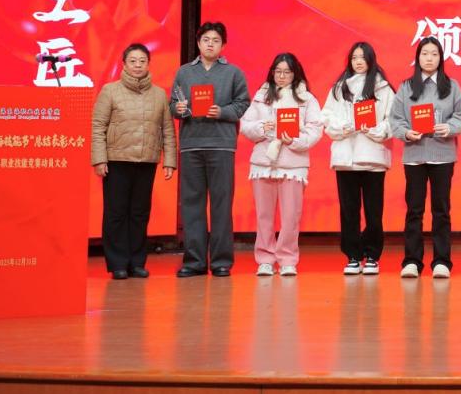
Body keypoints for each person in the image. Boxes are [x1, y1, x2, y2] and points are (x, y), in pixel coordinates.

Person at [171, 21, 251, 278]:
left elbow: (243, 103)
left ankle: (221, 261)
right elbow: (173, 103)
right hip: (191, 145)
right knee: (191, 204)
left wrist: (223, 112)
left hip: (222, 145)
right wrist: (178, 109)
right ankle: (194, 261)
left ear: (223, 45)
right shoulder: (184, 72)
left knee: (221, 204)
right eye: (206, 40)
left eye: (216, 40)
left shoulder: (234, 73)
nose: (210, 44)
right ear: (198, 43)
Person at [91, 43, 176, 280]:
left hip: (146, 160)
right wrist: (99, 159)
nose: (138, 65)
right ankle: (118, 263)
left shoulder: (159, 94)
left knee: (140, 213)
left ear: (148, 64)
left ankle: (137, 262)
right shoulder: (110, 91)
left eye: (142, 61)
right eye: (133, 61)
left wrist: (169, 160)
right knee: (116, 213)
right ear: (124, 64)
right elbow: (98, 126)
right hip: (116, 160)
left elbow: (168, 129)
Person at [389, 36, 461, 279]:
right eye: (425, 53)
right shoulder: (406, 87)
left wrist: (450, 127)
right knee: (414, 210)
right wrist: (406, 133)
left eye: (434, 54)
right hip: (414, 156)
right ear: (418, 57)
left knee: (441, 210)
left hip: (442, 156)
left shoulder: (451, 86)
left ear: (440, 58)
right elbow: (395, 119)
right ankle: (412, 261)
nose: (429, 58)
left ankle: (442, 261)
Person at [239, 53, 324, 277]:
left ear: (295, 74)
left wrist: (294, 140)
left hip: (293, 164)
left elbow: (315, 129)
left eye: (287, 72)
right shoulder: (261, 96)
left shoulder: (306, 99)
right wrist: (262, 127)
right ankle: (265, 259)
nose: (282, 76)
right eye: (278, 71)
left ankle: (287, 259)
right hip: (263, 162)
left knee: (291, 217)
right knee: (264, 216)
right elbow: (245, 125)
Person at [322, 42, 395, 276]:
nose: (358, 61)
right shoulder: (338, 88)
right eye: (354, 58)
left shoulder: (383, 88)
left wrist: (376, 130)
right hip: (346, 158)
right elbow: (326, 117)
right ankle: (353, 256)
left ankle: (372, 255)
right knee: (349, 211)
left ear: (371, 60)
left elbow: (393, 119)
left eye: (363, 57)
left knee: (374, 211)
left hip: (372, 157)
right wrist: (343, 127)